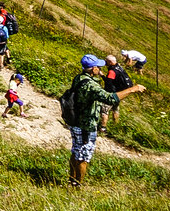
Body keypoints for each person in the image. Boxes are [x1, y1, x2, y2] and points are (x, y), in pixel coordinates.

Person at [60, 53, 145, 186]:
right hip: (86, 125)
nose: (100, 69)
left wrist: (101, 77)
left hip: (75, 121)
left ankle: (72, 180)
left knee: (76, 151)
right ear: (93, 69)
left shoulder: (79, 78)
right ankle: (77, 186)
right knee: (84, 157)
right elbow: (110, 98)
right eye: (98, 67)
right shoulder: (91, 85)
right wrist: (133, 89)